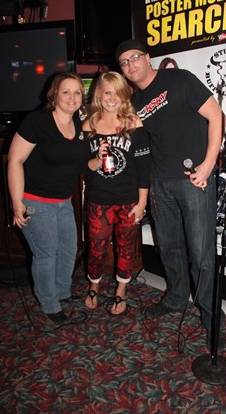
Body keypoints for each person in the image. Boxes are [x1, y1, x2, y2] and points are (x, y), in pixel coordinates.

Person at [115, 39, 224, 345]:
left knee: (202, 254)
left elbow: (216, 115)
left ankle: (209, 317)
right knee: (170, 247)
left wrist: (208, 165)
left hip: (193, 180)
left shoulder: (180, 79)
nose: (130, 64)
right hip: (159, 183)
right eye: (123, 62)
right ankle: (176, 298)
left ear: (147, 58)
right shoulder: (135, 102)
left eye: (134, 57)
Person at [7, 72, 89, 324]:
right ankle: (49, 304)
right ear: (54, 95)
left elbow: (82, 160)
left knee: (68, 250)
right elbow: (15, 160)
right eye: (66, 91)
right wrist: (17, 202)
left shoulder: (80, 122)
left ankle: (61, 292)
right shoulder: (38, 121)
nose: (72, 97)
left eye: (77, 92)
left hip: (63, 201)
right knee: (46, 254)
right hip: (34, 201)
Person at [82, 71, 151, 315]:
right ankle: (94, 286)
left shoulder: (134, 124)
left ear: (125, 95)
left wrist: (142, 203)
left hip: (128, 200)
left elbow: (144, 168)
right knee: (97, 248)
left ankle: (121, 291)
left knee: (125, 248)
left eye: (118, 93)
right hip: (98, 200)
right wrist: (96, 161)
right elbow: (83, 169)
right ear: (98, 94)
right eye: (107, 92)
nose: (112, 98)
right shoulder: (87, 126)